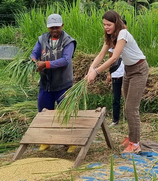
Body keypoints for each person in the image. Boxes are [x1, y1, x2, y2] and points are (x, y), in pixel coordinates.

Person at [85, 10, 148, 154]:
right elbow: (101, 54)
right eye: (104, 25)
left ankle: (135, 144)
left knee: (132, 108)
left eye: (109, 24)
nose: (106, 27)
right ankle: (131, 137)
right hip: (128, 70)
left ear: (116, 23)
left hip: (139, 70)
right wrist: (90, 69)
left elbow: (114, 58)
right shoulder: (111, 36)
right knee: (127, 106)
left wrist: (96, 72)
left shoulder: (123, 34)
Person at [30, 13, 76, 112]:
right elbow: (34, 53)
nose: (54, 30)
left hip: (63, 85)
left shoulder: (68, 41)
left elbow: (65, 60)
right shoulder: (42, 39)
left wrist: (45, 64)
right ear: (48, 27)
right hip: (46, 85)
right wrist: (33, 62)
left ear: (62, 25)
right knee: (43, 113)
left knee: (65, 114)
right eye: (51, 27)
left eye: (57, 27)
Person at [106, 46, 125, 127]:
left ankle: (129, 118)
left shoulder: (126, 44)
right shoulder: (112, 47)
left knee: (128, 97)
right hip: (116, 74)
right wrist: (109, 73)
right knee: (116, 98)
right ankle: (115, 120)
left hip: (127, 74)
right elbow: (110, 60)